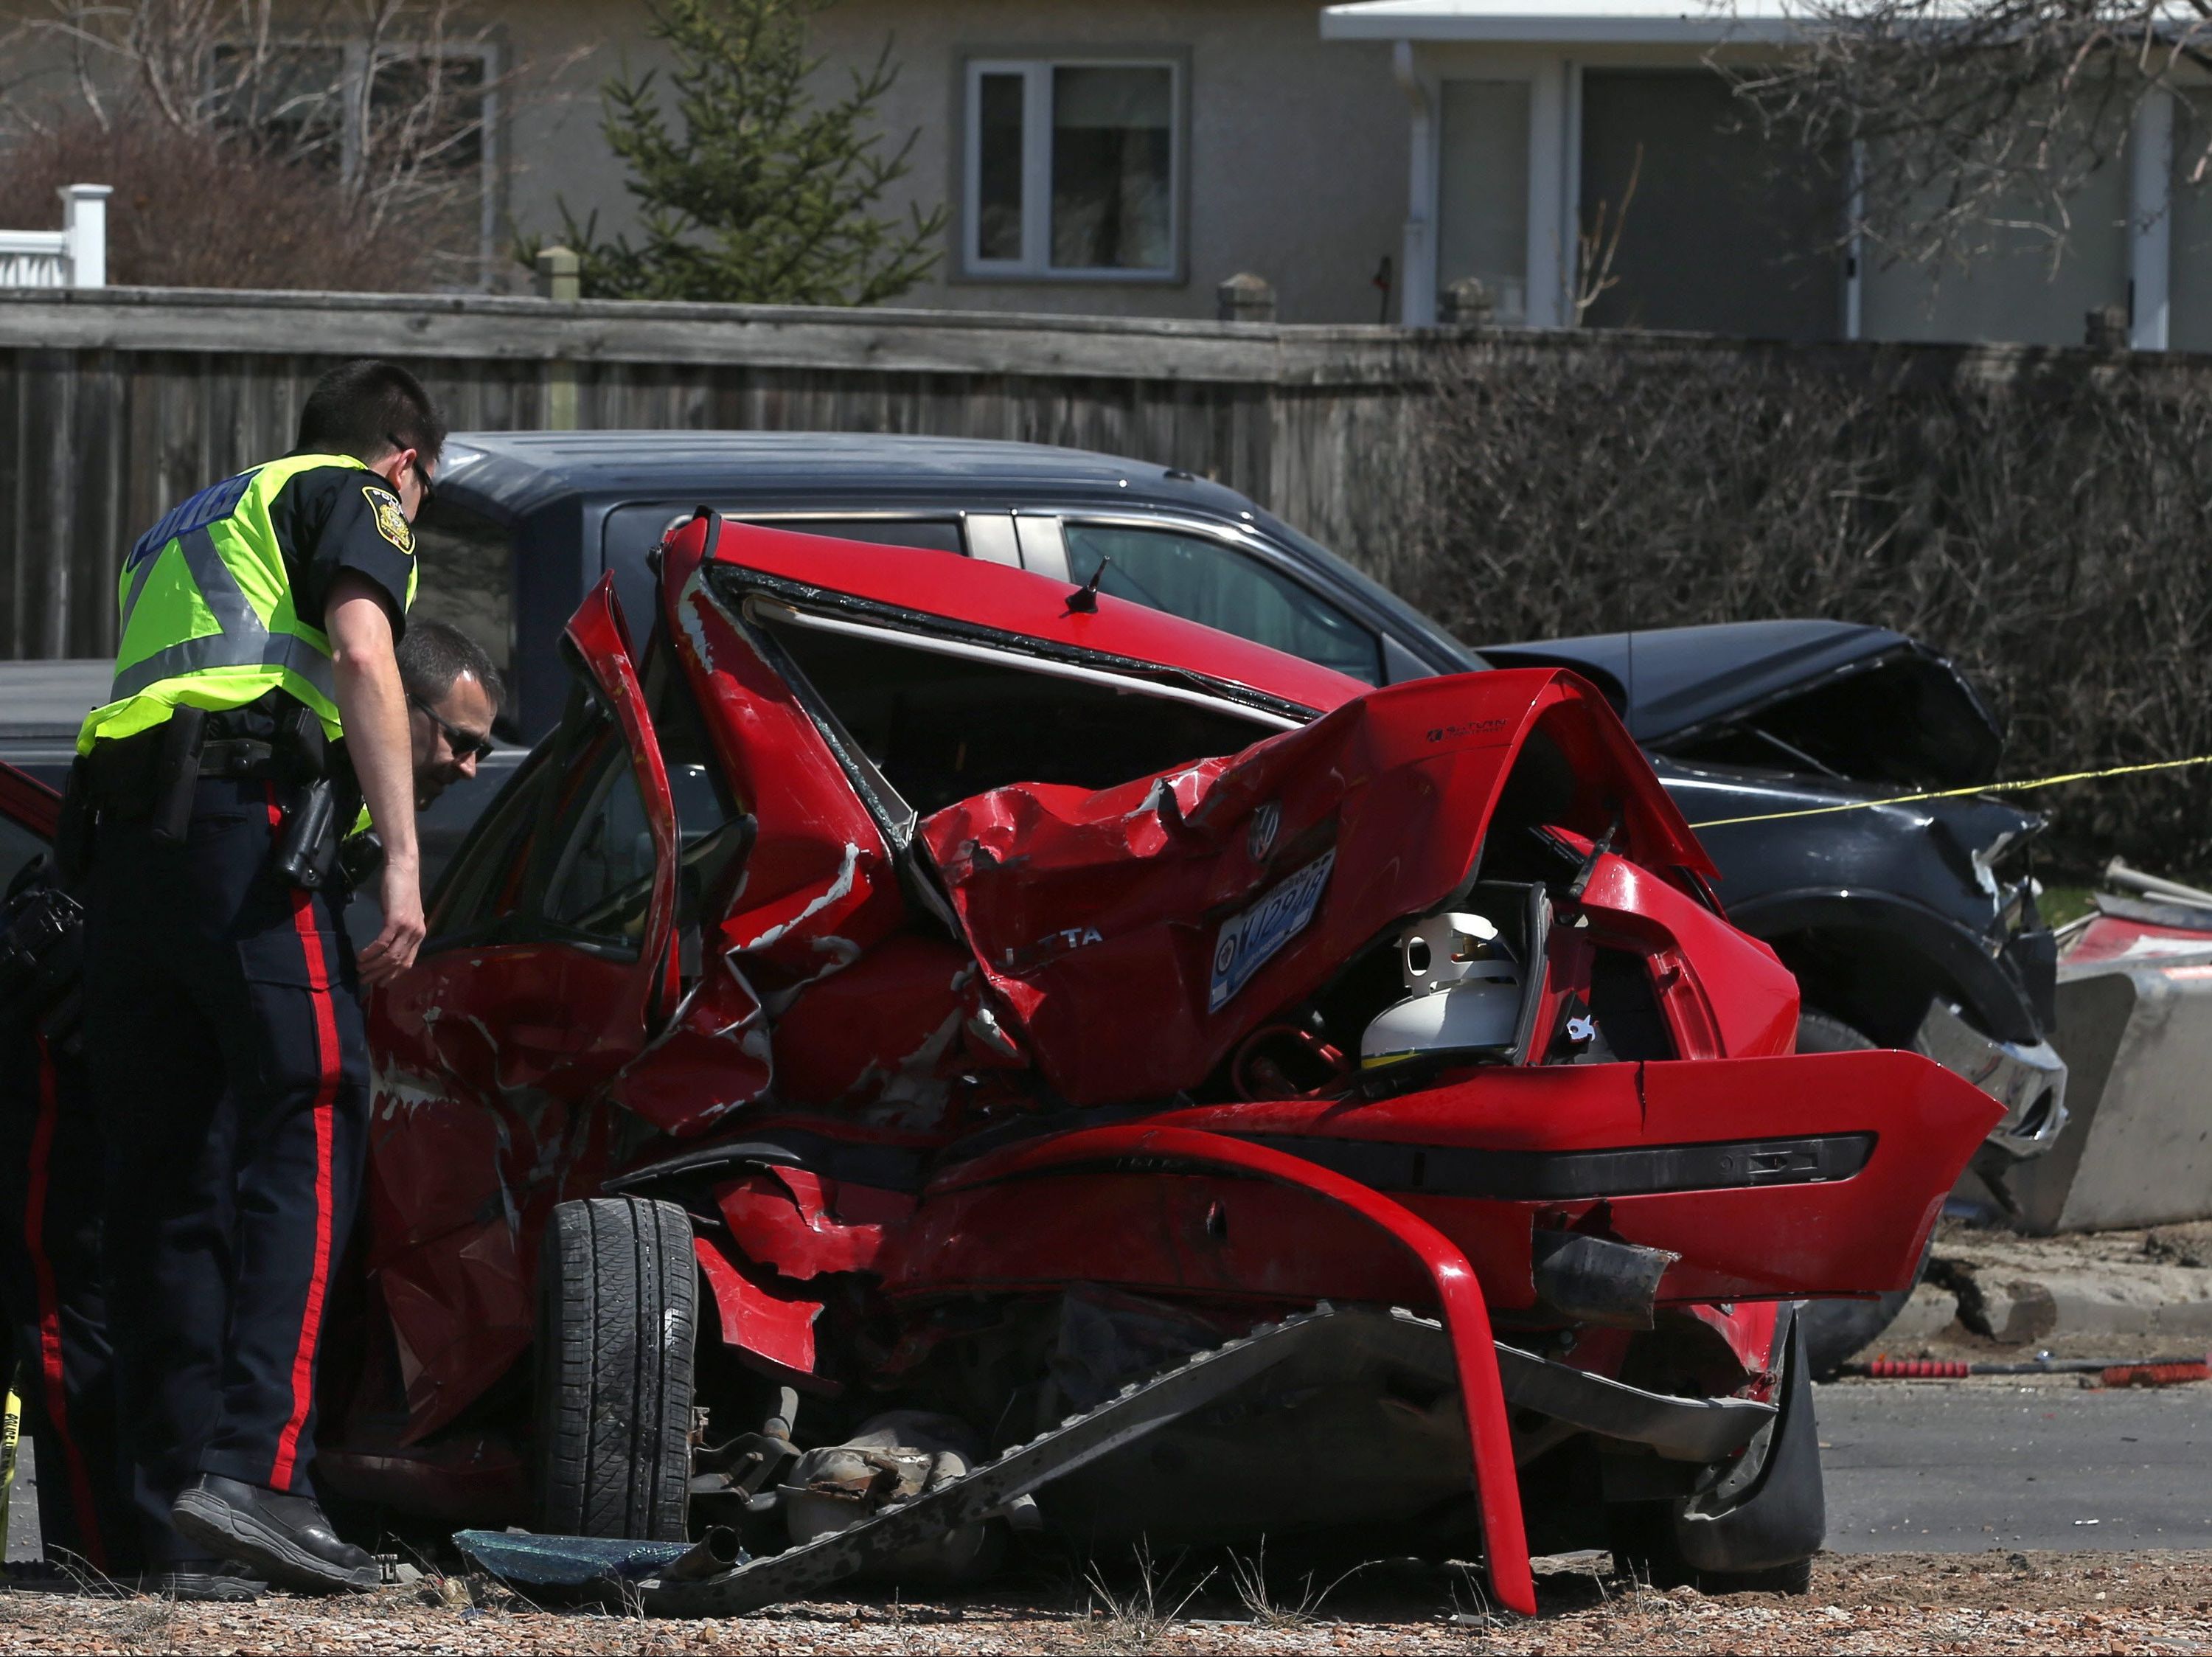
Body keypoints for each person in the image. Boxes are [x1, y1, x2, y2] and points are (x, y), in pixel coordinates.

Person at [0, 622, 501, 1599]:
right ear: (399, 708)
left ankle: (156, 1553)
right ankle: (106, 1561)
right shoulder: (256, 782)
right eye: (461, 738)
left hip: (136, 1064)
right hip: (60, 1054)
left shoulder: (325, 801)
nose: (474, 767)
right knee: (80, 1314)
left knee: (173, 1265)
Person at [72, 360, 440, 1598]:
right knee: (319, 1106)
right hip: (240, 821)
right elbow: (362, 655)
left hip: (127, 853)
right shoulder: (357, 491)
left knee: (172, 1173)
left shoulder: (181, 522)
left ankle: (171, 1527)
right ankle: (260, 1478)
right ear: (404, 462)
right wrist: (400, 859)